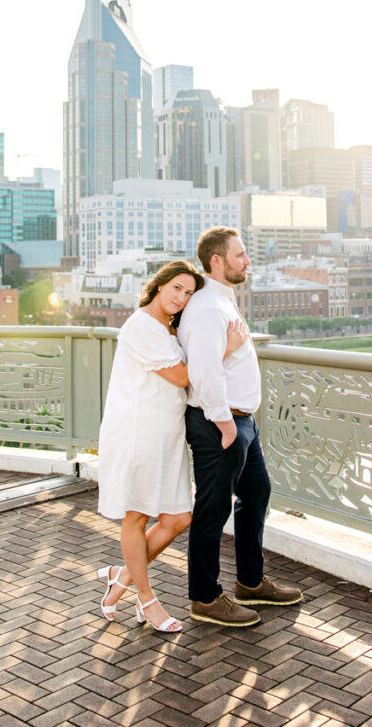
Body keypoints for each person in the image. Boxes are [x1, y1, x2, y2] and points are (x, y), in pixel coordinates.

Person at [96, 259, 248, 632]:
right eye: (176, 288)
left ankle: (123, 575)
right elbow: (182, 376)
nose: (181, 297)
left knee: (179, 518)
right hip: (137, 433)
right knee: (137, 516)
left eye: (189, 293)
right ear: (159, 285)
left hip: (167, 436)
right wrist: (224, 349)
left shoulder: (167, 328)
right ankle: (148, 601)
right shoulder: (142, 326)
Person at [177, 227, 303, 627]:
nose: (247, 261)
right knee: (212, 510)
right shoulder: (208, 308)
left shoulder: (221, 302)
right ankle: (205, 597)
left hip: (239, 422)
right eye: (240, 254)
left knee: (257, 491)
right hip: (222, 423)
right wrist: (225, 423)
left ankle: (250, 582)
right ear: (218, 260)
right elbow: (203, 372)